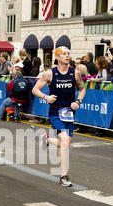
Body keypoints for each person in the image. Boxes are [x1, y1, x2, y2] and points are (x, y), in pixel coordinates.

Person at [32, 46, 86, 187]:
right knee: (64, 140)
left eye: (68, 53)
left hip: (69, 113)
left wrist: (78, 102)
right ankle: (63, 176)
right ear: (57, 57)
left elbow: (82, 88)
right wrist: (46, 97)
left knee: (65, 143)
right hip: (56, 112)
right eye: (64, 54)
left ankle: (47, 139)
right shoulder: (50, 74)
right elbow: (35, 89)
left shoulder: (75, 73)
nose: (67, 56)